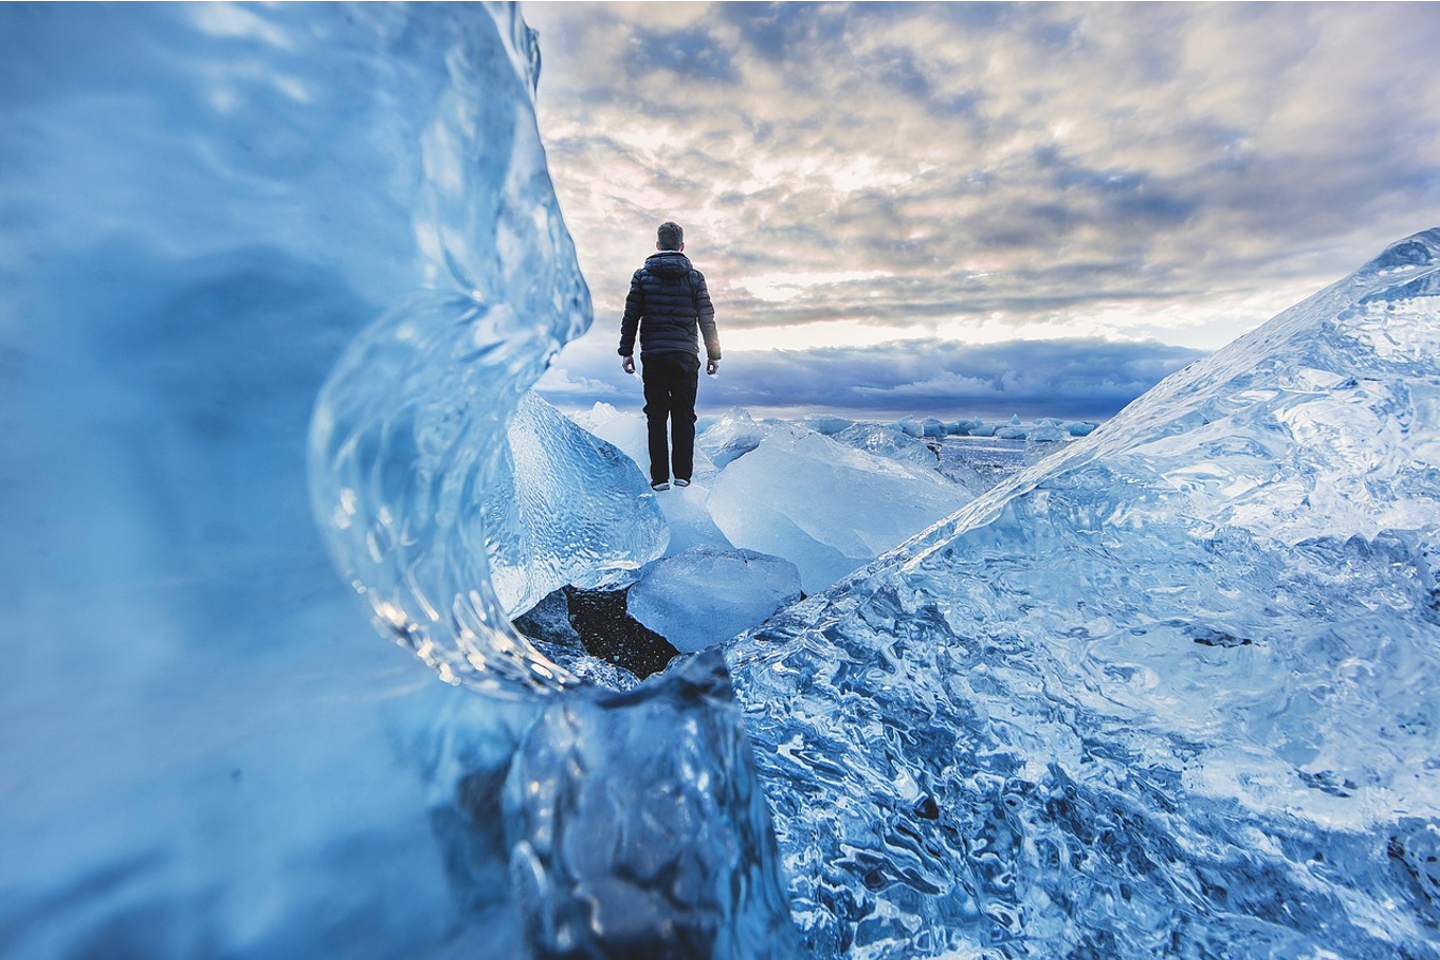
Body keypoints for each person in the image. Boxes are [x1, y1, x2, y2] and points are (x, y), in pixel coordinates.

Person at [618, 221, 721, 491]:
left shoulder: (642, 276)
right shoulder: (695, 277)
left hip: (653, 355)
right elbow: (706, 317)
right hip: (686, 355)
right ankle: (683, 476)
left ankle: (660, 478)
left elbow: (631, 317)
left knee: (656, 415)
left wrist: (626, 351)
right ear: (682, 246)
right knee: (684, 414)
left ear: (658, 245)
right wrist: (714, 354)